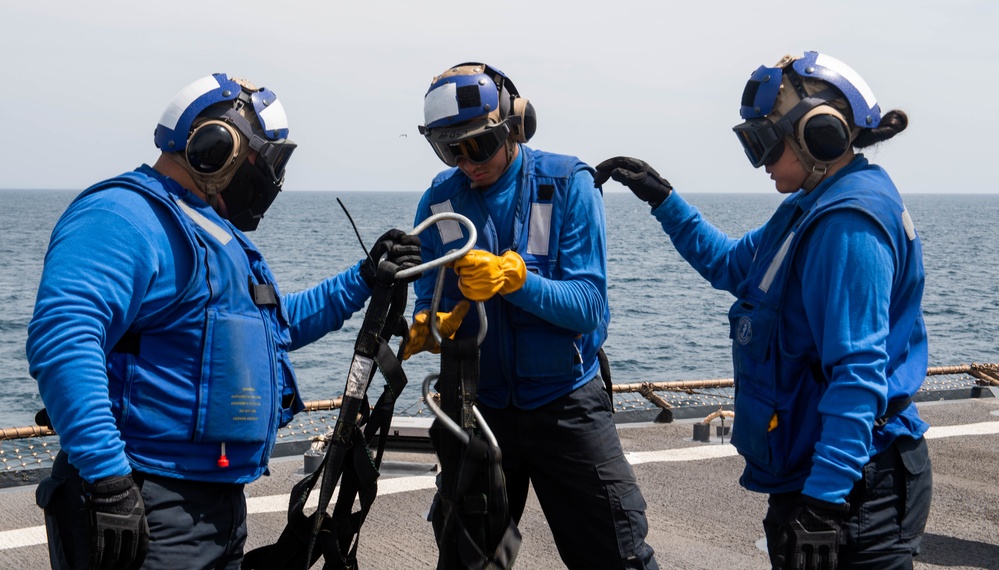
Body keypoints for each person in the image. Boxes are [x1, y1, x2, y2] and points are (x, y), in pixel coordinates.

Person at [26, 73, 421, 569]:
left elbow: (275, 326)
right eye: (267, 160)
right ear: (219, 146)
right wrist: (107, 480)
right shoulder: (121, 216)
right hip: (147, 495)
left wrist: (364, 277)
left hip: (213, 501)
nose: (272, 178)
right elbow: (64, 339)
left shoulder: (211, 229)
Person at [595, 51, 931, 569]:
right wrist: (662, 198)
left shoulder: (848, 224)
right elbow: (732, 265)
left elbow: (858, 374)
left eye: (765, 144)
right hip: (824, 474)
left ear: (821, 135)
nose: (762, 162)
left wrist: (823, 502)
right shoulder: (808, 207)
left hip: (855, 486)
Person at [407, 62, 659, 569]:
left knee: (617, 554)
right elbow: (425, 297)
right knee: (478, 558)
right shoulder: (440, 199)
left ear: (514, 126)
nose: (466, 162)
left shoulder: (568, 184)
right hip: (480, 409)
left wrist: (516, 282)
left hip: (565, 406)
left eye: (477, 145)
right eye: (449, 150)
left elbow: (589, 307)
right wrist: (432, 323)